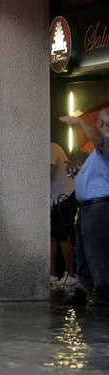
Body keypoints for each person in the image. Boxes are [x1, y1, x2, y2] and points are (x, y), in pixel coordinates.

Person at [59, 108, 109, 307]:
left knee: (96, 252)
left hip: (98, 207)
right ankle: (81, 291)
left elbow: (98, 139)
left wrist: (79, 122)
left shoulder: (105, 141)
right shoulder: (99, 151)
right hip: (89, 207)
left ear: (100, 123)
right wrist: (78, 171)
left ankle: (104, 296)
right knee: (83, 250)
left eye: (96, 121)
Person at [49, 143, 77, 285]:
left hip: (64, 196)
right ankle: (52, 273)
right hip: (53, 197)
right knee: (51, 236)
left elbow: (48, 169)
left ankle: (71, 274)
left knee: (62, 235)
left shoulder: (52, 147)